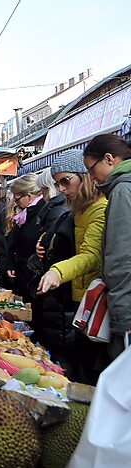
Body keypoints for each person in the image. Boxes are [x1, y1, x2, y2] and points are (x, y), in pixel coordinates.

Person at [36, 150, 107, 382]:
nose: (63, 189)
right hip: (74, 298)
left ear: (84, 176)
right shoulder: (78, 209)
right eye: (58, 184)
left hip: (92, 300)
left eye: (66, 181)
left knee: (88, 367)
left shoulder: (100, 208)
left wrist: (58, 271)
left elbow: (92, 256)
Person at [82, 134, 131, 360]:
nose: (91, 178)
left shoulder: (122, 191)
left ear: (109, 159)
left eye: (91, 170)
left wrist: (122, 317)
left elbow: (121, 259)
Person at [6, 174, 44, 301]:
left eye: (17, 199)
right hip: (23, 272)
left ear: (29, 195)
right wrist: (11, 263)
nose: (16, 203)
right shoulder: (25, 215)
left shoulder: (41, 212)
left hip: (32, 275)